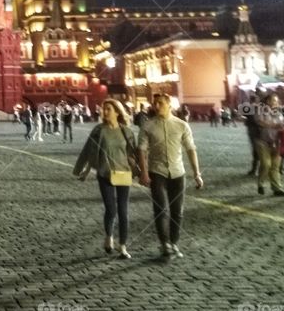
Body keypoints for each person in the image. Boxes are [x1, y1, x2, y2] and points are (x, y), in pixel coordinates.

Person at [138, 94, 204, 260]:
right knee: (161, 209)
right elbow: (142, 150)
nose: (157, 105)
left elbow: (191, 149)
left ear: (169, 105)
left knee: (177, 211)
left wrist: (197, 173)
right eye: (155, 103)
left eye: (160, 103)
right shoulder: (148, 126)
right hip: (157, 171)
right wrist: (144, 172)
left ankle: (174, 242)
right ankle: (165, 243)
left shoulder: (182, 125)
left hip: (177, 172)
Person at [73, 100, 137, 259]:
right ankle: (109, 237)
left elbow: (133, 153)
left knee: (123, 211)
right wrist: (84, 170)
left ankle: (123, 246)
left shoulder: (126, 131)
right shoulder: (98, 130)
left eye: (108, 109)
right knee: (111, 209)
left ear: (117, 112)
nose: (105, 111)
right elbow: (89, 150)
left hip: (123, 173)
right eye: (104, 109)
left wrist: (139, 168)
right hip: (104, 173)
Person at [255, 93, 284, 196]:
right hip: (262, 142)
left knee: (275, 166)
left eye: (277, 101)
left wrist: (283, 127)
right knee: (266, 164)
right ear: (268, 101)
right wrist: (275, 125)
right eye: (274, 100)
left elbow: (283, 124)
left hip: (277, 142)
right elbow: (260, 122)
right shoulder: (260, 111)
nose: (276, 103)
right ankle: (261, 184)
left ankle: (277, 188)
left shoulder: (279, 113)